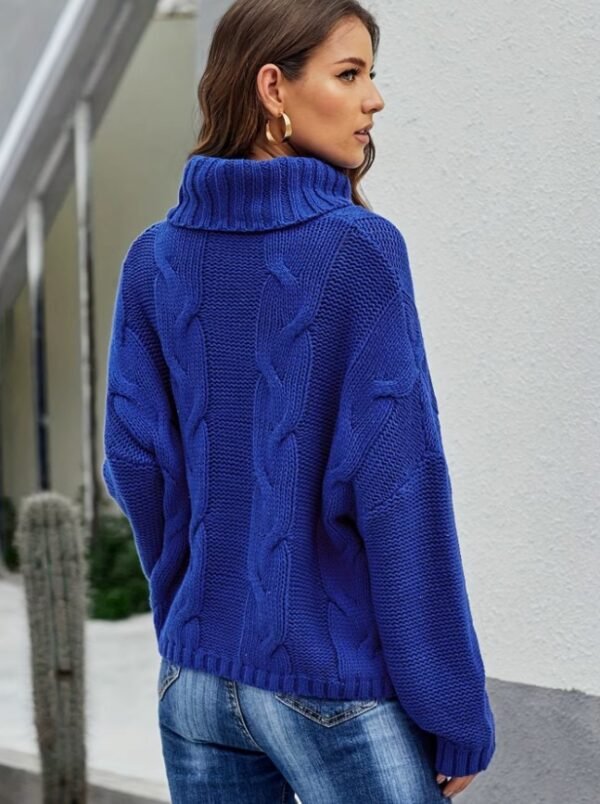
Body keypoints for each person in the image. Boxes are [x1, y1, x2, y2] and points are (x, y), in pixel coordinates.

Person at [102, 0, 497, 801]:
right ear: (273, 88)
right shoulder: (359, 250)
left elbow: (133, 465)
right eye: (349, 74)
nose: (374, 99)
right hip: (331, 690)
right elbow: (402, 492)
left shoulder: (154, 259)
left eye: (370, 76)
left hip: (194, 685)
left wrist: (193, 600)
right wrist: (453, 706)